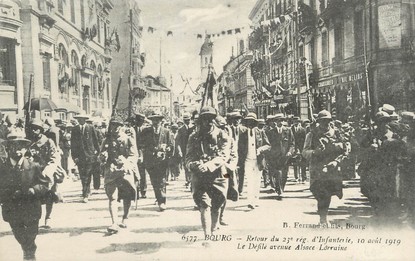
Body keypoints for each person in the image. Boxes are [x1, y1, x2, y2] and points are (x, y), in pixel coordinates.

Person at [0, 129, 49, 260]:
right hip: (12, 210)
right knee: (20, 236)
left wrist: (34, 190)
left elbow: (44, 185)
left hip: (31, 208)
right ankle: (29, 250)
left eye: (21, 146)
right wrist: (8, 194)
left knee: (30, 236)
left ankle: (29, 254)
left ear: (25, 148)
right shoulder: (2, 168)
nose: (18, 149)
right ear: (8, 147)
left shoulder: (33, 166)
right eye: (14, 145)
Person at [186, 106, 230, 236]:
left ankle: (214, 226)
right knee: (204, 205)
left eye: (211, 119)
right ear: (201, 120)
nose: (208, 122)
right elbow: (188, 157)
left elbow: (224, 155)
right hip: (200, 176)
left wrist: (210, 164)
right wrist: (193, 165)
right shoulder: (194, 136)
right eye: (205, 119)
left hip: (218, 174)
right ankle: (207, 235)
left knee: (217, 204)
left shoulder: (222, 135)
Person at [303, 110, 350, 225]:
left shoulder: (338, 133)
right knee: (319, 193)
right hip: (317, 168)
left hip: (332, 168)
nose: (326, 123)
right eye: (323, 121)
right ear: (319, 122)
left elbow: (346, 150)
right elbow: (304, 152)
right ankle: (322, 217)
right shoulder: (312, 134)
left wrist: (336, 161)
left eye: (328, 121)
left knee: (327, 193)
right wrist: (315, 152)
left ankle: (323, 218)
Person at [99, 116, 138, 233]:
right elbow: (101, 156)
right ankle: (114, 223)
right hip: (111, 171)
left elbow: (133, 155)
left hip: (125, 171)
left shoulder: (128, 139)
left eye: (118, 125)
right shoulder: (106, 140)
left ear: (121, 127)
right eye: (113, 125)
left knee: (127, 196)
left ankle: (125, 218)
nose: (115, 128)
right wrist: (102, 157)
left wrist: (126, 162)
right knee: (112, 197)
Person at [28, 118, 62, 229]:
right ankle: (35, 218)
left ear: (41, 130)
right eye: (32, 129)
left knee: (49, 196)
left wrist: (47, 170)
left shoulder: (48, 142)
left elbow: (54, 158)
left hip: (47, 173)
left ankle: (48, 218)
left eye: (36, 129)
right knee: (34, 196)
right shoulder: (29, 143)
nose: (33, 131)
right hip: (34, 173)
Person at [139, 113, 172, 211]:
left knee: (162, 181)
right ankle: (159, 198)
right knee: (154, 181)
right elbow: (140, 144)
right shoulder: (146, 131)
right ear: (151, 121)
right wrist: (150, 150)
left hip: (162, 161)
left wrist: (166, 149)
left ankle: (162, 201)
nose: (156, 122)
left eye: (157, 120)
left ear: (161, 121)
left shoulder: (166, 132)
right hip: (150, 160)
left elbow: (171, 145)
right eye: (154, 120)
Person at [238, 113, 270, 209]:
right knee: (249, 180)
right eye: (248, 122)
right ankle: (250, 201)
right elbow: (239, 149)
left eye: (252, 122)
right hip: (247, 161)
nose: (250, 123)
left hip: (258, 161)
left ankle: (256, 199)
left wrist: (260, 149)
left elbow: (268, 145)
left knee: (256, 181)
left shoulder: (260, 132)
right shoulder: (243, 134)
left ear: (255, 123)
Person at [70, 114, 100, 203]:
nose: (80, 121)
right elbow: (73, 144)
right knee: (83, 175)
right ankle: (86, 191)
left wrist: (97, 153)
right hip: (80, 156)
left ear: (85, 120)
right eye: (79, 119)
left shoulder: (90, 128)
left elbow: (95, 141)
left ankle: (85, 194)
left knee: (88, 174)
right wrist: (74, 157)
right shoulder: (75, 129)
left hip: (90, 156)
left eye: (82, 119)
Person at [266, 113, 295, 198]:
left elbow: (292, 143)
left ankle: (281, 187)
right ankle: (279, 189)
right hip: (275, 157)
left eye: (282, 120)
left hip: (285, 156)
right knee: (277, 172)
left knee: (284, 174)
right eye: (279, 120)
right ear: (275, 122)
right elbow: (268, 144)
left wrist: (290, 151)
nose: (281, 122)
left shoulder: (288, 130)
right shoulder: (270, 132)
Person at [176, 113, 193, 188]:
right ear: (183, 121)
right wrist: (179, 151)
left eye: (188, 120)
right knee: (186, 165)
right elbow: (177, 142)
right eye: (186, 120)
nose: (187, 121)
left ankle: (192, 180)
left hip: (193, 150)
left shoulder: (194, 127)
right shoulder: (181, 129)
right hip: (184, 150)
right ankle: (188, 180)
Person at [133, 112, 147, 198]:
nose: (140, 122)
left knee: (143, 173)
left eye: (141, 121)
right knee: (135, 173)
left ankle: (143, 190)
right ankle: (136, 191)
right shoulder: (132, 129)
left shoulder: (146, 130)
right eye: (138, 121)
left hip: (144, 153)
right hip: (134, 153)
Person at [291, 117, 307, 183]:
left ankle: (304, 178)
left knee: (303, 163)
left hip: (302, 148)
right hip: (294, 148)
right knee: (295, 163)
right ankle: (296, 177)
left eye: (297, 121)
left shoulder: (303, 130)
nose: (296, 122)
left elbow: (305, 139)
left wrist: (303, 148)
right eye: (295, 121)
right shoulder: (290, 129)